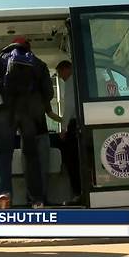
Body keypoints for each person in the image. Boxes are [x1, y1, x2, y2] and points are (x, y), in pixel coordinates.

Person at [0, 37, 54, 209]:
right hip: (28, 116)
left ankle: (4, 194)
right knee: (31, 156)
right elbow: (49, 93)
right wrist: (34, 103)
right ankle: (36, 199)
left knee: (4, 154)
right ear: (28, 47)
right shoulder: (39, 63)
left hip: (4, 112)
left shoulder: (1, 58)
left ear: (11, 45)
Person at [55, 60, 81, 204]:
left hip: (74, 124)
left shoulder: (71, 82)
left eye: (60, 72)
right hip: (77, 122)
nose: (60, 76)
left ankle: (77, 192)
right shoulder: (78, 82)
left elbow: (70, 106)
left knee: (72, 161)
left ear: (67, 69)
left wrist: (64, 128)